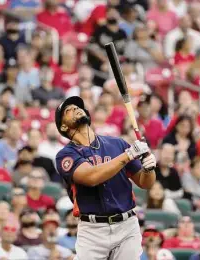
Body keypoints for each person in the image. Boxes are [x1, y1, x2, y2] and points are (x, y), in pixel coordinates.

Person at [55, 96, 156, 260]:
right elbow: (91, 177)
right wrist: (129, 155)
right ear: (63, 125)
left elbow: (146, 183)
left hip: (126, 225)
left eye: (78, 107)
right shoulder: (66, 155)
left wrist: (149, 167)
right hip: (92, 230)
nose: (76, 109)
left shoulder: (117, 144)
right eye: (69, 110)